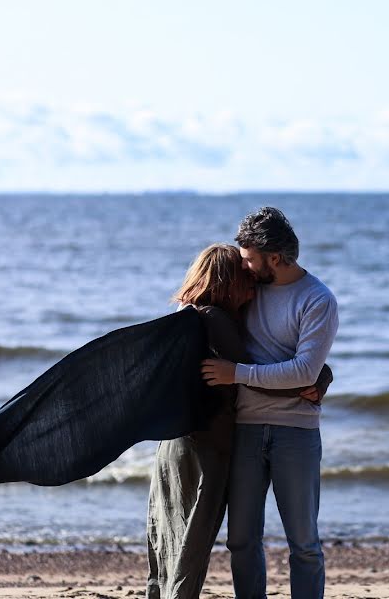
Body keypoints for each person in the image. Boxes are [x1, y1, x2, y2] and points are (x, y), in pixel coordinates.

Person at [146, 243, 332, 599]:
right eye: (243, 275)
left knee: (172, 539)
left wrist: (318, 374)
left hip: (178, 446)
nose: (252, 285)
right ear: (228, 282)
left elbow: (243, 373)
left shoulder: (192, 316)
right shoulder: (215, 321)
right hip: (205, 451)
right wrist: (314, 379)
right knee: (192, 548)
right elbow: (247, 376)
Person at [201, 208, 339, 599]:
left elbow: (304, 373)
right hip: (244, 429)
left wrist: (238, 374)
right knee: (241, 540)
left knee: (304, 543)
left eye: (247, 257)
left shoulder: (317, 299)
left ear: (274, 258)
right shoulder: (246, 290)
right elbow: (195, 309)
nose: (242, 264)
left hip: (296, 432)